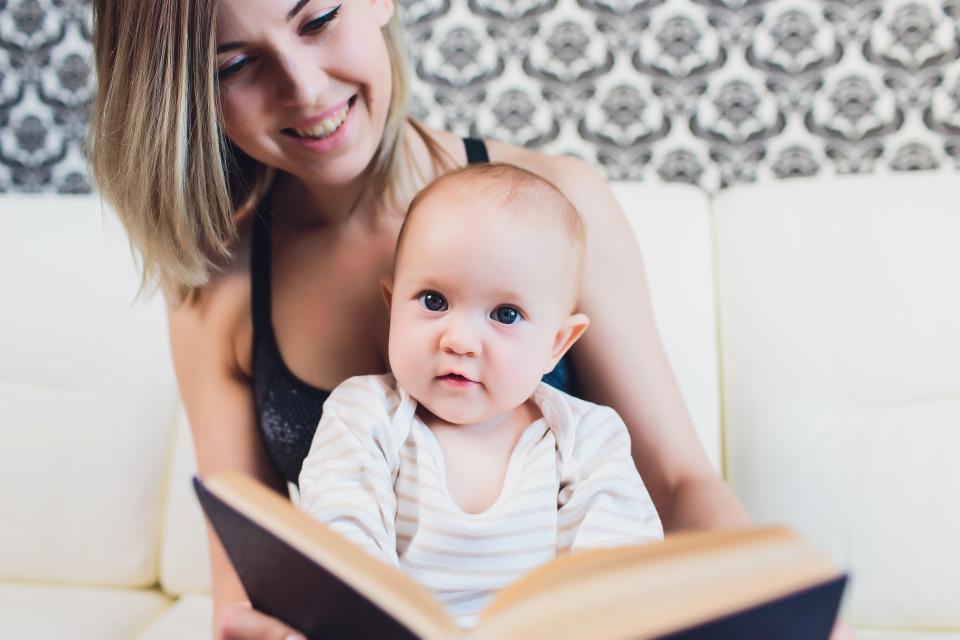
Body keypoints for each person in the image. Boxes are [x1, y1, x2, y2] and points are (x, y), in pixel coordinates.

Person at [87, 1, 750, 638]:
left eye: (317, 20)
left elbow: (677, 482)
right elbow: (244, 582)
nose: (305, 88)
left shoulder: (563, 208)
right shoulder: (217, 285)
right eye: (235, 64)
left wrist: (773, 599)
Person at [298, 163, 664, 627]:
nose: (460, 341)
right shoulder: (364, 416)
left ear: (556, 344)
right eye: (434, 301)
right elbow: (339, 537)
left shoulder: (587, 439)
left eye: (505, 314)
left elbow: (614, 574)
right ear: (393, 307)